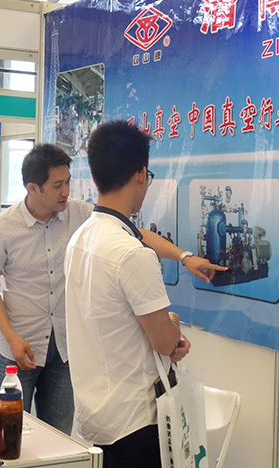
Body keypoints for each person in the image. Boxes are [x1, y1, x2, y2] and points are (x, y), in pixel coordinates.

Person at [0, 143, 222, 435]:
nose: (66, 192)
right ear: (33, 188)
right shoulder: (0, 229)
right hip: (20, 346)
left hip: (64, 348)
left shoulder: (79, 213)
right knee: (10, 431)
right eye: (57, 185)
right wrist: (11, 336)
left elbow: (136, 234)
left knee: (59, 437)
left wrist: (184, 257)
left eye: (68, 182)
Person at [65, 120, 209, 468]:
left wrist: (184, 257)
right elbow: (164, 341)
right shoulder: (132, 254)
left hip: (96, 414)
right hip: (136, 421)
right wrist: (174, 327)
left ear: (96, 175)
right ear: (141, 174)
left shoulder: (82, 237)